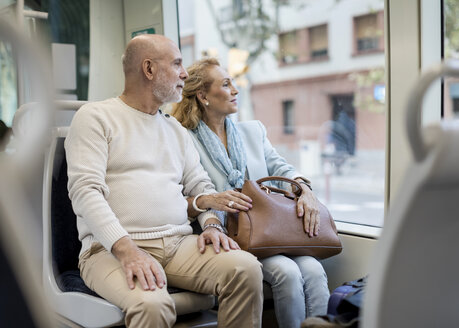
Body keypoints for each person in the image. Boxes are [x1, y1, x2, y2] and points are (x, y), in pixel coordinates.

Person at [65, 35, 263, 328]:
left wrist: (210, 223)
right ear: (149, 69)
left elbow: (202, 188)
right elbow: (85, 192)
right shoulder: (95, 117)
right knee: (152, 305)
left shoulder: (175, 130)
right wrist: (127, 250)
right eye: (177, 64)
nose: (184, 73)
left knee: (246, 270)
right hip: (110, 250)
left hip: (179, 244)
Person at [173, 57, 330, 328]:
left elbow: (282, 169)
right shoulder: (184, 139)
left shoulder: (253, 131)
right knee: (287, 272)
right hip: (225, 234)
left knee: (314, 270)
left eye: (233, 83)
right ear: (203, 96)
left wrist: (305, 190)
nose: (235, 90)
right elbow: (186, 194)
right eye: (226, 84)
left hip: (267, 230)